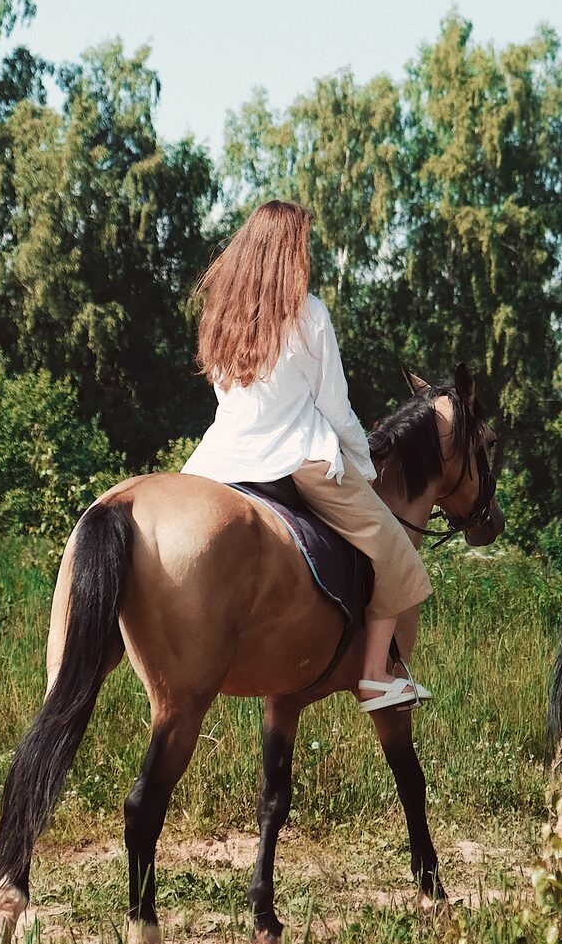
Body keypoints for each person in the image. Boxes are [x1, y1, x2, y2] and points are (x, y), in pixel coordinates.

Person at [180, 200, 432, 712]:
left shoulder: (220, 314)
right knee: (394, 551)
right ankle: (377, 678)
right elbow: (335, 409)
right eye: (304, 244)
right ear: (288, 250)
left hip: (215, 465)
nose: (308, 255)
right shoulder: (309, 313)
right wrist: (362, 465)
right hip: (296, 459)